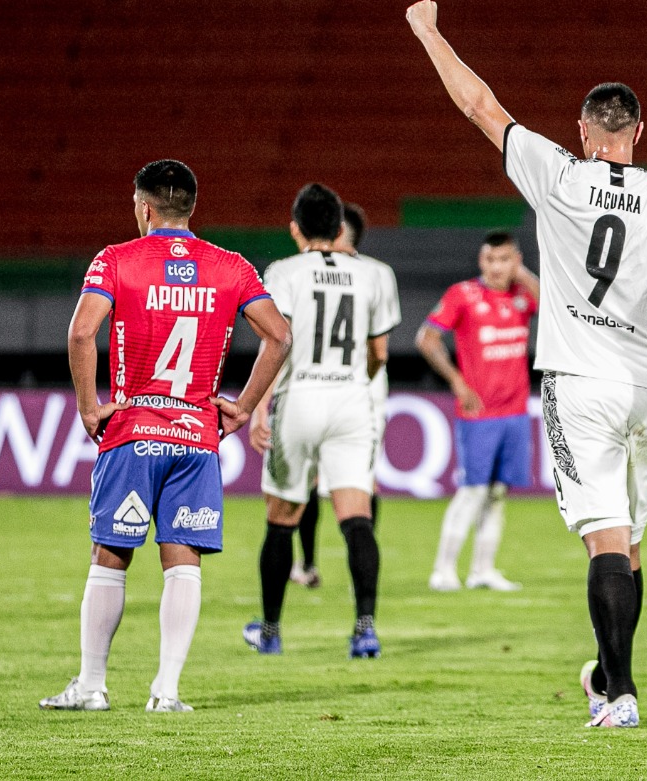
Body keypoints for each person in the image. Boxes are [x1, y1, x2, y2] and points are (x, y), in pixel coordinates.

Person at [407, 0, 647, 728]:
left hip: (579, 380)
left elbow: (477, 103)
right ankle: (606, 672)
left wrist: (429, 30)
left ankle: (619, 692)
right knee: (632, 543)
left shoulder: (557, 171)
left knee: (605, 539)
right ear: (640, 134)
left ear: (585, 131)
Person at [40, 159, 291, 712]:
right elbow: (279, 335)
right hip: (195, 437)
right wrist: (244, 406)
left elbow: (83, 331)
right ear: (192, 207)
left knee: (110, 555)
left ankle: (91, 687)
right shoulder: (230, 267)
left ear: (144, 207)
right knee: (183, 559)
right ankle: (167, 691)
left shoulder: (116, 261)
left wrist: (89, 407)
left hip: (132, 429)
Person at [244, 183, 398, 658]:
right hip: (352, 400)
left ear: (294, 228)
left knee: (282, 517)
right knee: (357, 516)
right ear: (339, 228)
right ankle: (365, 629)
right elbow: (379, 352)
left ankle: (270, 632)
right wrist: (355, 380)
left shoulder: (283, 272)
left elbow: (278, 343)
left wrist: (257, 407)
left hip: (301, 397)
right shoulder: (375, 274)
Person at [416, 230, 539, 592]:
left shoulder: (522, 296)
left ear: (515, 260)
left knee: (498, 492)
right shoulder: (463, 295)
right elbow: (426, 338)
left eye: (504, 259)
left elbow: (558, 306)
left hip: (515, 409)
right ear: (481, 261)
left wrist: (525, 274)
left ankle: (483, 569)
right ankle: (443, 569)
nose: (497, 267)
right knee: (472, 489)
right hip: (479, 411)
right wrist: (456, 380)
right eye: (490, 259)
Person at [290, 203, 401, 588]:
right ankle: (362, 569)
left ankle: (306, 564)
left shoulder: (305, 272)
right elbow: (380, 347)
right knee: (363, 483)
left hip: (316, 386)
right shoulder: (380, 274)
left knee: (305, 479)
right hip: (367, 392)